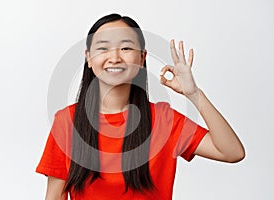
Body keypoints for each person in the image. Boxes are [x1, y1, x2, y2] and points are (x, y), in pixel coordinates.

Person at [36, 13, 245, 200]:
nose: (115, 57)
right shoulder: (67, 121)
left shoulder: (164, 120)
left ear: (142, 57)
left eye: (126, 48)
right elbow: (54, 197)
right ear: (89, 58)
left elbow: (231, 152)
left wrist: (194, 94)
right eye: (103, 48)